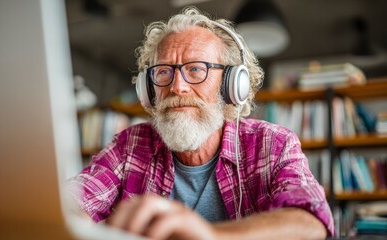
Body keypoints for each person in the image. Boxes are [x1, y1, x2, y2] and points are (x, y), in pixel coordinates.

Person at [68, 7, 334, 240]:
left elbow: (310, 220)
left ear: (231, 85)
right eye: (163, 72)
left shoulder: (273, 144)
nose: (177, 87)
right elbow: (68, 205)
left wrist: (210, 235)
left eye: (196, 69)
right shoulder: (129, 146)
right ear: (148, 90)